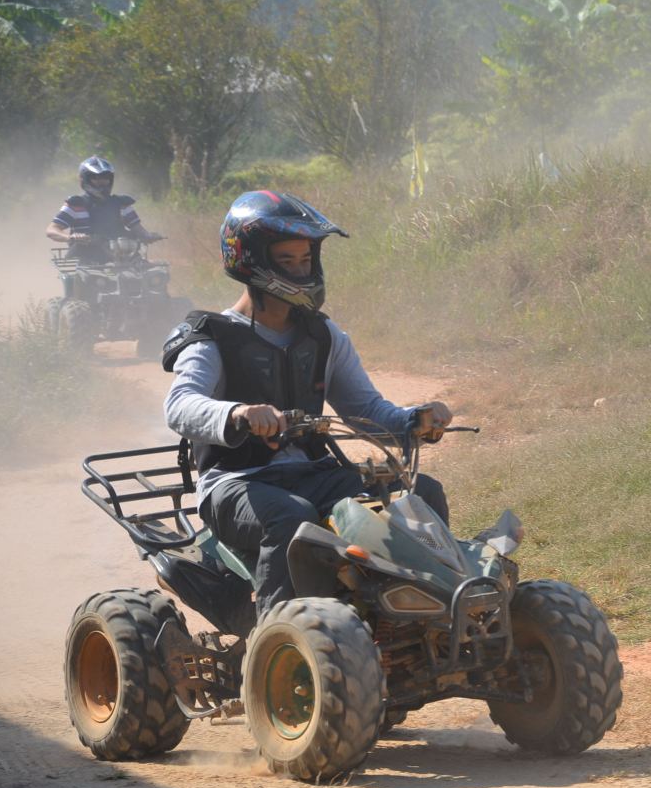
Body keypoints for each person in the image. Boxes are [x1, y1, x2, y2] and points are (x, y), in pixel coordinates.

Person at [162, 189, 452, 616]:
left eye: (306, 259)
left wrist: (416, 419)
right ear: (253, 261)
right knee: (291, 517)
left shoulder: (324, 336)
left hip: (313, 474)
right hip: (234, 483)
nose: (301, 270)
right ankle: (274, 636)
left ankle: (432, 610)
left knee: (421, 492)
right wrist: (237, 414)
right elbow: (180, 406)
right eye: (287, 261)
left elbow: (367, 410)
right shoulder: (213, 336)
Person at [45, 156, 162, 263]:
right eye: (95, 178)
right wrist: (70, 237)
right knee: (80, 278)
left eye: (105, 178)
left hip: (122, 258)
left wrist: (148, 236)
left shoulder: (122, 204)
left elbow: (139, 230)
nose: (101, 182)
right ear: (85, 179)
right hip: (85, 259)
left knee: (152, 274)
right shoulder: (75, 205)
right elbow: (51, 230)